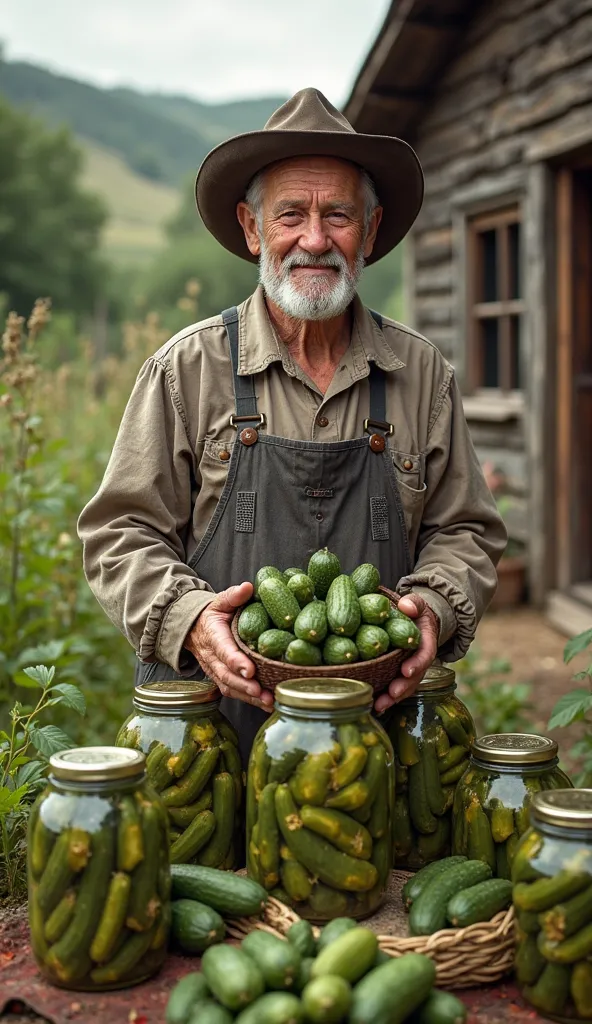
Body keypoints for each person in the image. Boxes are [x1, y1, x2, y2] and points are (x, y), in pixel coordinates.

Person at [78, 89, 506, 763]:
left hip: (376, 741)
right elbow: (119, 534)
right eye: (291, 214)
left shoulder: (421, 374)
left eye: (338, 214)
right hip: (204, 739)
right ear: (252, 229)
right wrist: (189, 622)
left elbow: (466, 530)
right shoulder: (185, 369)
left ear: (369, 230)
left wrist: (435, 606)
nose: (315, 239)